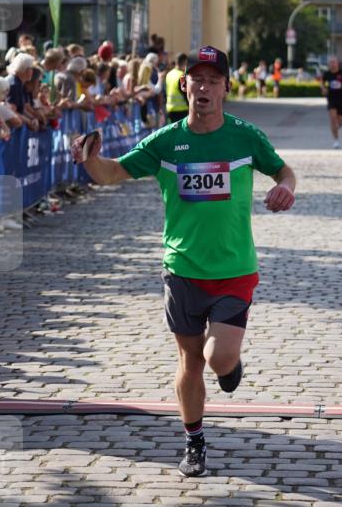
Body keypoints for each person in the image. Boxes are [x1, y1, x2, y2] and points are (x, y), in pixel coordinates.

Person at [72, 45, 297, 478]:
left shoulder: (245, 136)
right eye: (197, 80)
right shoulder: (166, 142)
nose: (204, 88)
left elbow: (284, 171)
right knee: (190, 362)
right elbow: (111, 173)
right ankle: (194, 442)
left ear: (226, 88)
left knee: (219, 359)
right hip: (182, 270)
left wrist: (286, 187)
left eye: (213, 81)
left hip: (234, 269)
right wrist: (89, 159)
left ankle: (230, 365)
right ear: (184, 86)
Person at [322, 56, 342, 148]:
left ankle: (336, 128)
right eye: (331, 63)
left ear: (337, 63)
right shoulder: (326, 74)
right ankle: (336, 140)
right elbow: (322, 83)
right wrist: (323, 89)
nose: (332, 64)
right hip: (331, 99)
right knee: (333, 119)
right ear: (329, 64)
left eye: (334, 62)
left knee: (341, 122)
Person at [165, 52, 189, 123]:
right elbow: (185, 93)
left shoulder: (169, 74)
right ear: (185, 62)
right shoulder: (182, 76)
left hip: (170, 108)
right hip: (181, 110)